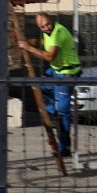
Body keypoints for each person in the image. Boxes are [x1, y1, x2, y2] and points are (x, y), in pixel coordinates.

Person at [17, 10, 81, 157]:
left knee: (63, 110)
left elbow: (49, 56)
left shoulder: (58, 32)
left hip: (67, 73)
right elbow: (44, 42)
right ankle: (52, 112)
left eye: (47, 25)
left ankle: (64, 147)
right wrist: (29, 41)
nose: (46, 28)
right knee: (39, 88)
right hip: (55, 71)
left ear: (51, 21)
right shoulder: (48, 33)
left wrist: (28, 48)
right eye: (42, 27)